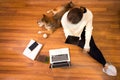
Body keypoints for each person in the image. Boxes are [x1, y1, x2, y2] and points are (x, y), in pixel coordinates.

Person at [61, 7, 117, 76]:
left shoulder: (88, 14)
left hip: (83, 30)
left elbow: (88, 29)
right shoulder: (64, 19)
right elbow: (68, 34)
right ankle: (105, 64)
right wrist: (80, 43)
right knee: (89, 50)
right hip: (74, 36)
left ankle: (105, 64)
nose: (68, 22)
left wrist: (87, 44)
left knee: (92, 46)